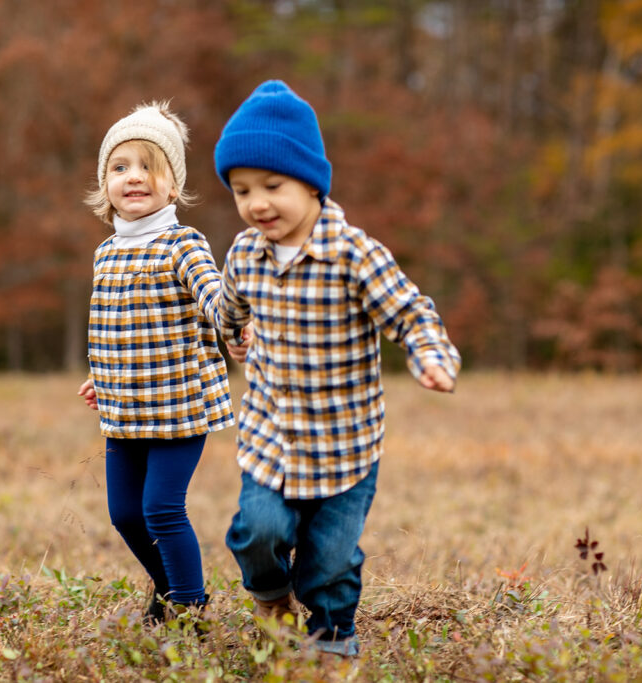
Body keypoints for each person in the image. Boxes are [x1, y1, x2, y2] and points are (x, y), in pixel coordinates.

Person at [213, 80, 461, 657]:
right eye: (241, 190)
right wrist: (233, 338)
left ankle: (329, 646)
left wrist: (431, 357)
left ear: (312, 183)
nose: (256, 203)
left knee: (331, 560)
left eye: (272, 185)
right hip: (270, 438)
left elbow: (410, 312)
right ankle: (271, 596)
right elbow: (229, 306)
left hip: (346, 446)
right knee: (258, 533)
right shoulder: (244, 253)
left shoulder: (355, 255)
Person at [77, 101, 248, 623]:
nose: (134, 178)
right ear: (104, 182)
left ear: (173, 186)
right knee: (125, 514)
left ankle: (190, 609)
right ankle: (169, 586)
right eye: (120, 167)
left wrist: (236, 324)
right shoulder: (107, 252)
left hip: (178, 406)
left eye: (149, 167)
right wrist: (100, 372)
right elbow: (117, 324)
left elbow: (214, 299)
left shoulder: (183, 245)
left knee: (161, 509)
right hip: (125, 409)